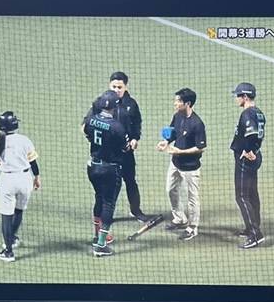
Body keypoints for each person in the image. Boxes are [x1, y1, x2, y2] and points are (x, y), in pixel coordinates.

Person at [84, 72, 148, 222]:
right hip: (107, 156)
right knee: (106, 189)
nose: (116, 90)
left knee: (130, 181)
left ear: (125, 87)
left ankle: (136, 211)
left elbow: (137, 123)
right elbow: (86, 124)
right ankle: (104, 216)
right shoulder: (100, 103)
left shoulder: (131, 104)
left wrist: (135, 138)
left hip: (126, 153)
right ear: (109, 85)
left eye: (120, 87)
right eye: (114, 86)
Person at [0, 111, 41, 262]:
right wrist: (37, 178)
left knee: (6, 215)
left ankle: (8, 251)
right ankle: (12, 238)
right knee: (19, 210)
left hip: (7, 181)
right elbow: (33, 163)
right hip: (25, 179)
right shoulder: (24, 140)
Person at [156, 88, 207, 241]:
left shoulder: (197, 123)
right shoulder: (177, 115)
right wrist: (165, 142)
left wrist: (181, 151)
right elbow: (172, 133)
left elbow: (201, 147)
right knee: (170, 189)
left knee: (192, 198)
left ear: (188, 103)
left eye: (178, 101)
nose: (175, 103)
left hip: (191, 168)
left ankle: (192, 227)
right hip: (175, 163)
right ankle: (179, 218)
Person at [83, 90, 130, 257]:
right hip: (110, 169)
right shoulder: (117, 126)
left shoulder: (91, 120)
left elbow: (88, 134)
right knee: (108, 204)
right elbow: (125, 148)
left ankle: (97, 235)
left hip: (93, 167)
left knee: (99, 198)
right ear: (115, 107)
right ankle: (101, 245)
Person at [230, 83, 266, 249]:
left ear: (245, 97)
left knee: (242, 196)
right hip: (254, 157)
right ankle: (253, 225)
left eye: (238, 95)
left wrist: (248, 150)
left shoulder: (247, 114)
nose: (236, 98)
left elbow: (252, 135)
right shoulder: (258, 112)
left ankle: (255, 234)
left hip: (245, 159)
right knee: (252, 194)